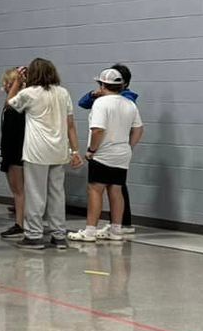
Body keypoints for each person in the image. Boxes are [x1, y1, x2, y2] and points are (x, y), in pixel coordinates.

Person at [7, 58, 80, 249]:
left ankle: (33, 235)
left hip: (36, 151)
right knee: (57, 193)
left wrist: (17, 82)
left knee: (35, 194)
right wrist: (75, 150)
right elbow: (70, 124)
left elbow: (10, 104)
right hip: (59, 150)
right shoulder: (63, 93)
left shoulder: (29, 93)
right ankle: (58, 235)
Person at [71, 69, 144, 243]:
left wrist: (92, 150)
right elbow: (139, 129)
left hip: (103, 154)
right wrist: (128, 146)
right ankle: (116, 230)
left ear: (102, 85)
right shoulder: (129, 104)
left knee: (95, 190)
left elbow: (97, 130)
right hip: (122, 154)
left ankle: (90, 231)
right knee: (116, 190)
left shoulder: (101, 103)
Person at [0, 68, 27, 239]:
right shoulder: (15, 103)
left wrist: (16, 82)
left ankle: (20, 224)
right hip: (12, 150)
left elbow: (9, 104)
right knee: (19, 190)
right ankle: (22, 222)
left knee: (19, 190)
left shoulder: (17, 105)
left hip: (16, 151)